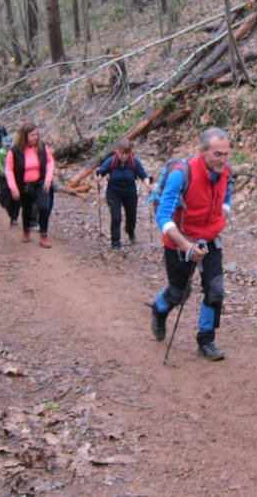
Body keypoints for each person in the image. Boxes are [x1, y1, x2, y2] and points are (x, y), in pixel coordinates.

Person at [148, 127, 232, 361]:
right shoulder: (181, 174)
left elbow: (227, 197)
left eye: (226, 154)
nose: (223, 160)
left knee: (215, 292)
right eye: (217, 154)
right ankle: (160, 308)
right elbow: (163, 216)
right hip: (179, 241)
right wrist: (187, 246)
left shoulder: (226, 172)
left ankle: (206, 340)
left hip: (210, 239)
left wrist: (222, 217)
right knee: (179, 293)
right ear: (202, 151)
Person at [96, 138, 153, 250]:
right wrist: (98, 177)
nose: (124, 156)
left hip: (130, 192)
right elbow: (100, 171)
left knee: (131, 217)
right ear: (117, 151)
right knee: (116, 217)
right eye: (122, 153)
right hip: (114, 192)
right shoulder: (111, 161)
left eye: (127, 153)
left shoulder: (134, 162)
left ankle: (130, 232)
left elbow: (143, 174)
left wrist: (148, 184)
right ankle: (115, 242)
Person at [5, 123, 55, 248]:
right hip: (24, 185)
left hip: (41, 183)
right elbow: (9, 170)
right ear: (25, 136)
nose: (35, 137)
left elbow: (50, 162)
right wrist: (14, 188)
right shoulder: (15, 150)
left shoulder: (42, 147)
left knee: (44, 207)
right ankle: (26, 230)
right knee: (26, 209)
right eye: (32, 135)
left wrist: (48, 179)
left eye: (37, 135)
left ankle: (43, 234)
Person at [0, 135, 20, 226]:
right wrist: (4, 172)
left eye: (9, 145)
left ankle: (14, 217)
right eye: (6, 145)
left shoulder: (15, 152)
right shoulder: (0, 153)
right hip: (4, 177)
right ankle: (10, 212)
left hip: (15, 178)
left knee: (17, 198)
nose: (8, 146)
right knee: (5, 197)